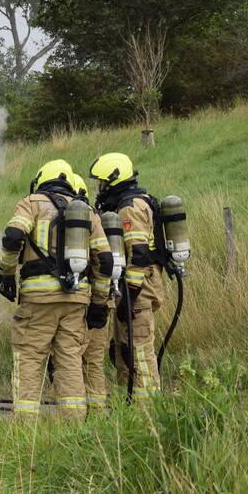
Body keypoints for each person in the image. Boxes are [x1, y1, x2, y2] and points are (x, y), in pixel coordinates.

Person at [0, 160, 113, 418]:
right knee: (70, 360)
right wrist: (99, 303)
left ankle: (26, 430)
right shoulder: (87, 212)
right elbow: (105, 260)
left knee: (29, 358)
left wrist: (5, 274)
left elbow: (13, 236)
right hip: (76, 299)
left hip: (38, 300)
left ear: (40, 180)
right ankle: (74, 428)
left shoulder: (31, 202)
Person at [89, 152, 165, 400]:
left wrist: (130, 296)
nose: (99, 189)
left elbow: (140, 254)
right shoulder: (131, 202)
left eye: (102, 183)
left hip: (139, 289)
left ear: (114, 180)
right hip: (135, 288)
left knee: (139, 351)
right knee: (124, 350)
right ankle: (128, 409)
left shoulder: (129, 207)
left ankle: (148, 413)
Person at [71, 173, 114, 412]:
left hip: (78, 301)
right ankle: (97, 416)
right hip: (101, 302)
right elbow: (106, 263)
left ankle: (76, 416)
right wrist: (101, 302)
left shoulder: (73, 222)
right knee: (94, 363)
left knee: (71, 359)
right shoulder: (95, 219)